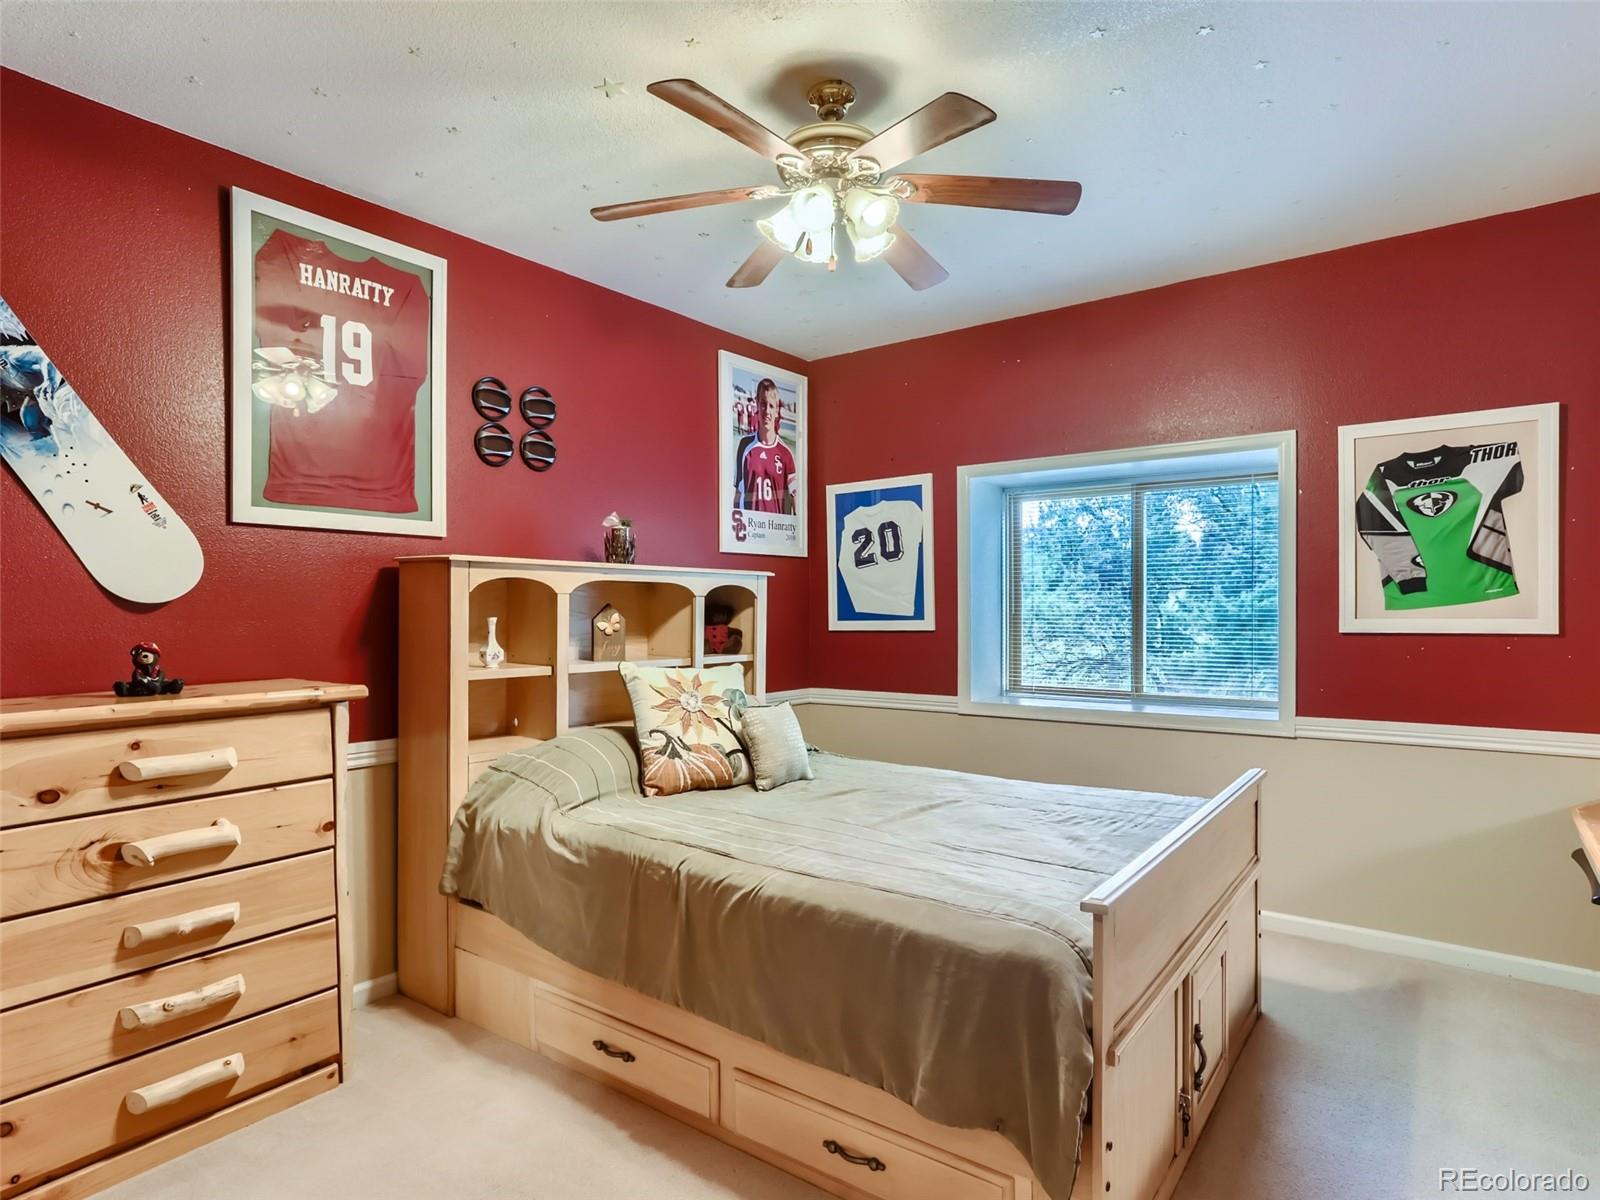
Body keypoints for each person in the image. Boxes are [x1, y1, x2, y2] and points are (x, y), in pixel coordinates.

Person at [733, 378, 797, 515]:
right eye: (763, 404)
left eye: (771, 406)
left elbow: (795, 501)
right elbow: (738, 492)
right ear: (757, 404)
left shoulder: (786, 454)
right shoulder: (744, 446)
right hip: (751, 524)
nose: (767, 411)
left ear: (777, 410)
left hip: (776, 526)